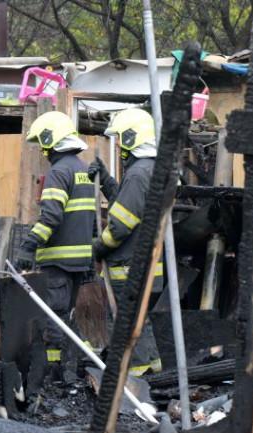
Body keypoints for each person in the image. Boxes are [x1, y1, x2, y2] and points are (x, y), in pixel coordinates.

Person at [15, 111, 95, 385]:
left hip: (58, 260)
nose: (43, 150)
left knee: (54, 316)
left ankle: (53, 373)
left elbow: (51, 217)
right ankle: (72, 368)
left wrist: (29, 246)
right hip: (79, 260)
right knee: (66, 315)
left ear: (52, 140)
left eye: (43, 144)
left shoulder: (58, 172)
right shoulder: (83, 170)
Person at [88, 107, 163, 375]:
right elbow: (126, 201)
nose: (119, 145)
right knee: (141, 320)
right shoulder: (151, 170)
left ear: (132, 138)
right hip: (148, 267)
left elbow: (120, 225)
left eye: (121, 138)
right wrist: (106, 180)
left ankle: (136, 377)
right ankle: (154, 372)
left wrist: (98, 247)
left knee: (128, 323)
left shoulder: (138, 174)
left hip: (129, 267)